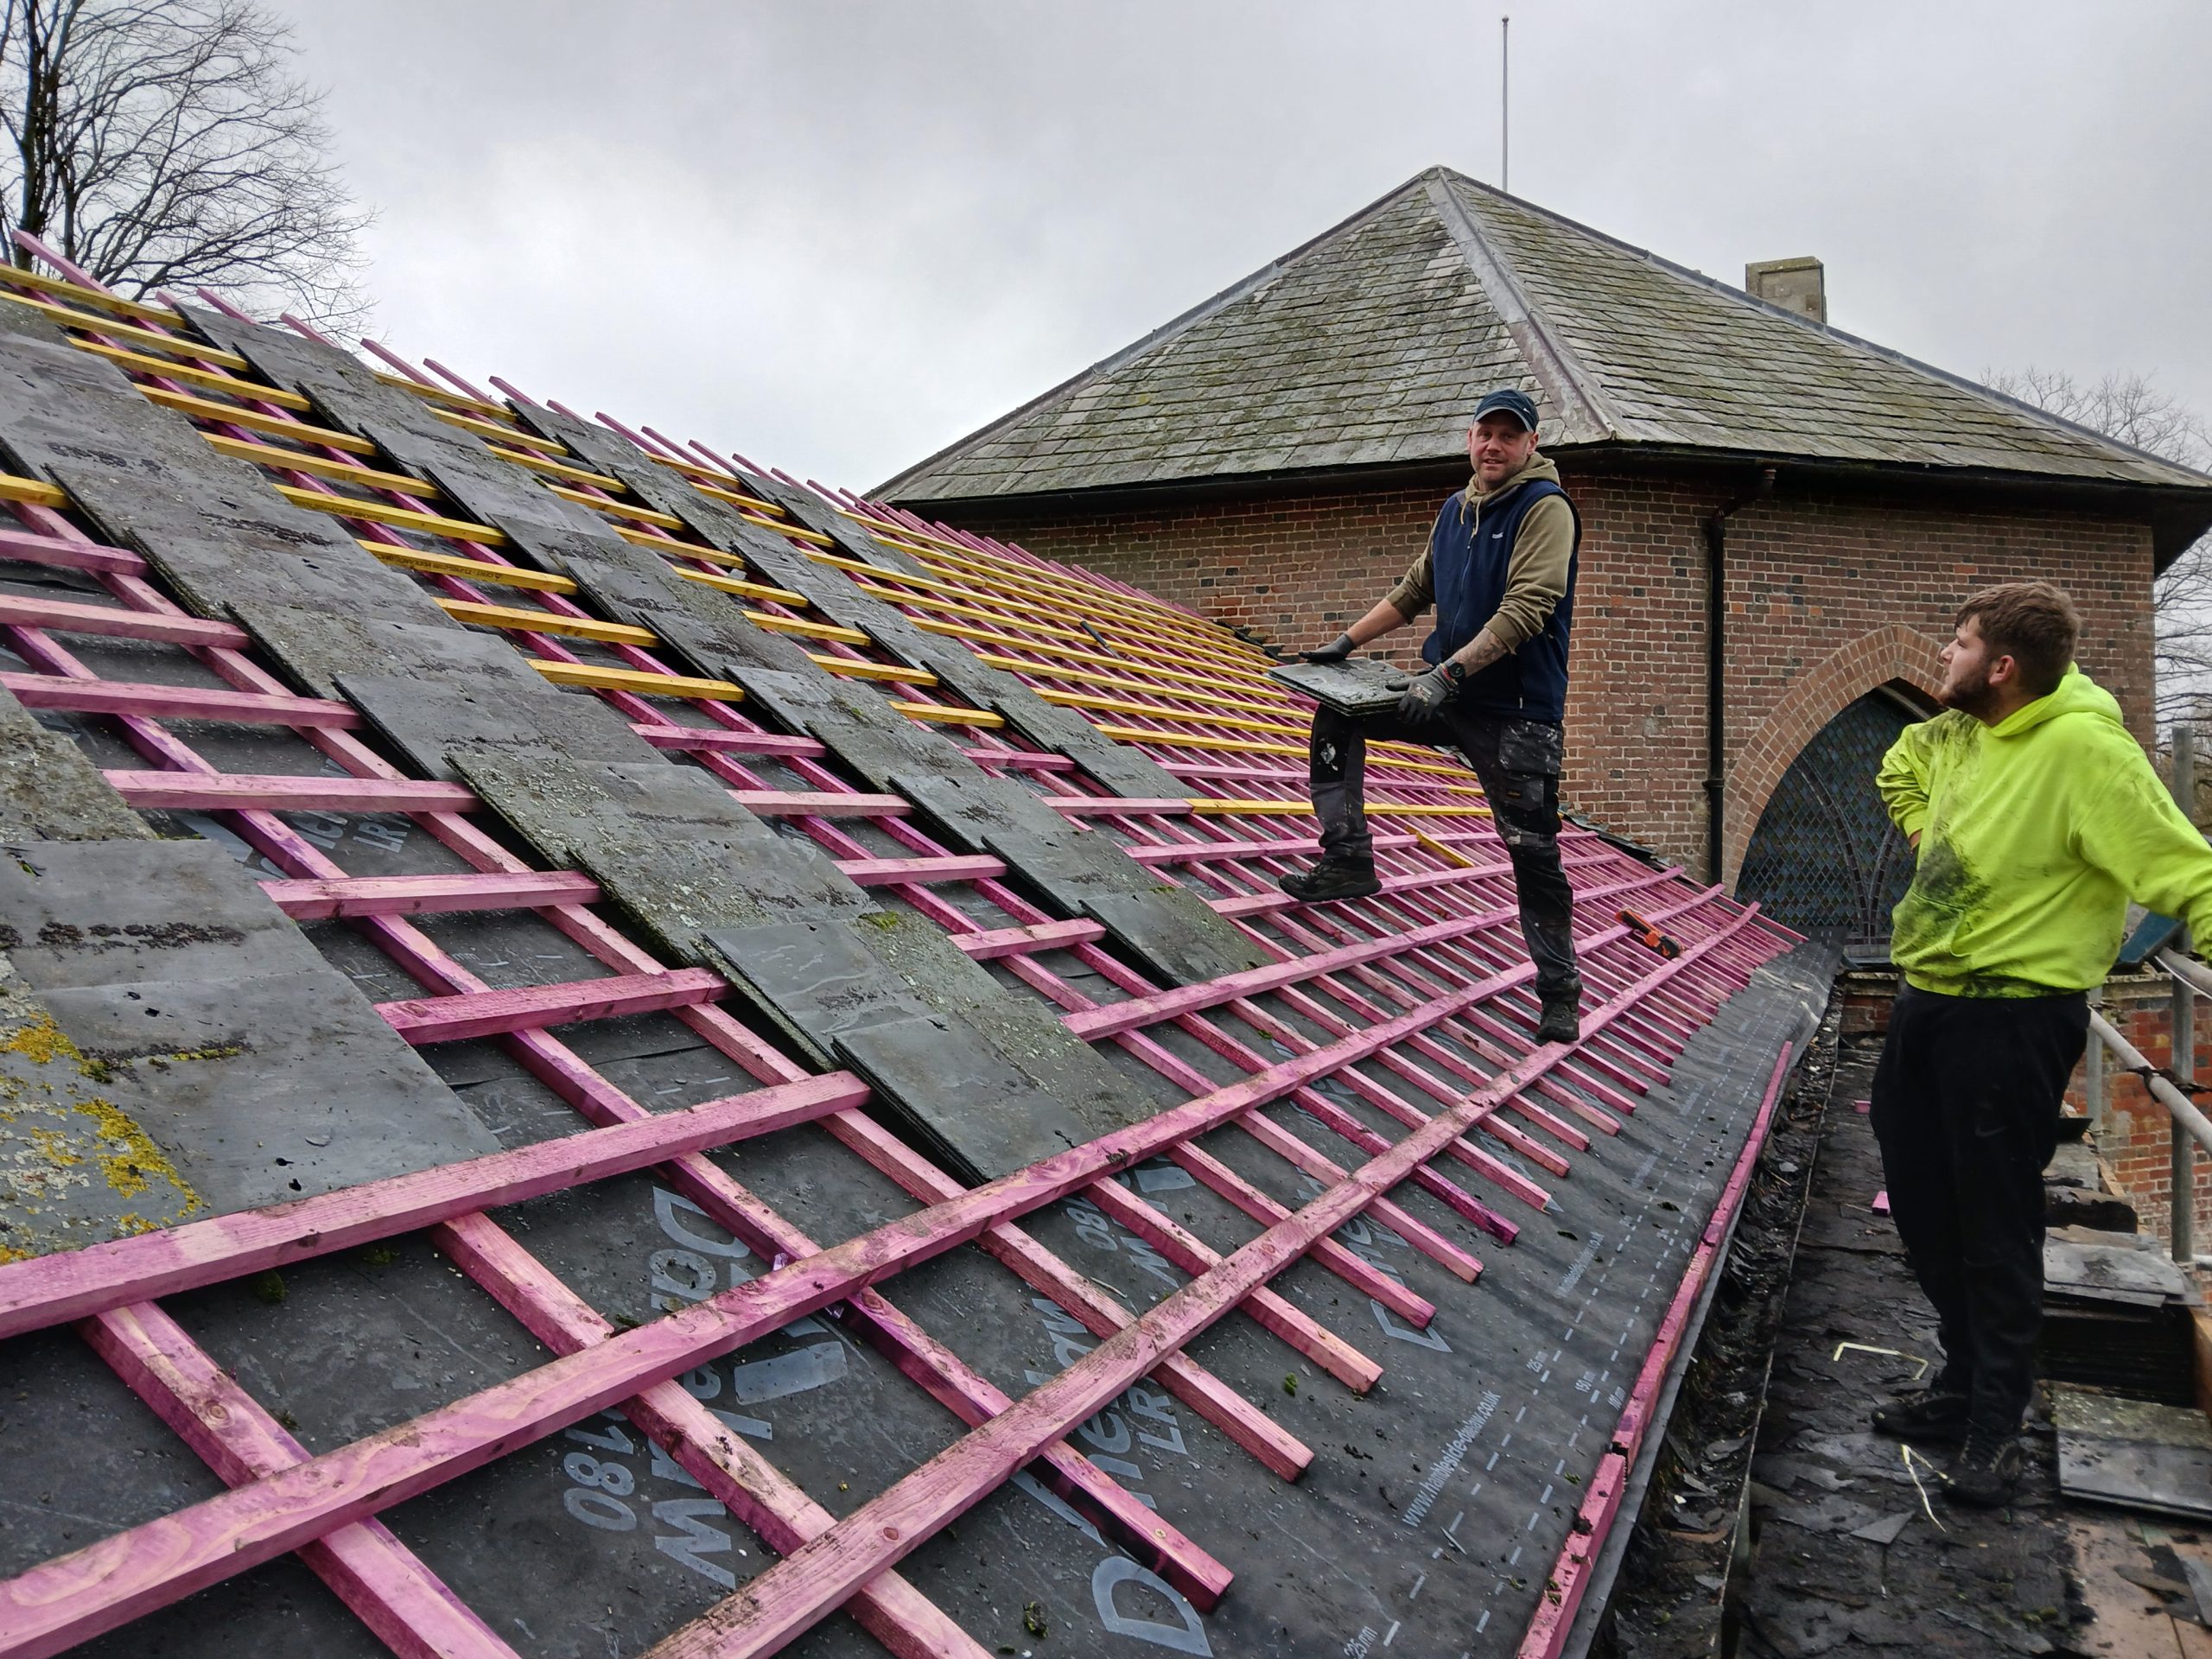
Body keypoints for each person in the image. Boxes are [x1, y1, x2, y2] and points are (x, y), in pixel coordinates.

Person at [1869, 580, 2212, 1506]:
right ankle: (1960, 1379)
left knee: (1994, 1222)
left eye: (1960, 642)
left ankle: (1996, 1422)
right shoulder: (1957, 730)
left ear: (2003, 667)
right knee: (1922, 1202)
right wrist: (1922, 827)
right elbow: (1900, 761)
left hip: (2015, 1016)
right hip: (1927, 998)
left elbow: (2188, 873)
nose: (1945, 654)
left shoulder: (2088, 754)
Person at [1281, 385, 1584, 1044]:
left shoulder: (1544, 509)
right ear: (1469, 439)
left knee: (1532, 851)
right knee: (1338, 713)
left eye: (1509, 436)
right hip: (1450, 696)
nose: (1494, 446)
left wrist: (1445, 676)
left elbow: (1527, 609)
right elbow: (1416, 588)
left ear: (1531, 444)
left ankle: (1560, 992)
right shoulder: (1457, 510)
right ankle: (1349, 859)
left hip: (1517, 715)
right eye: (1485, 434)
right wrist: (1345, 644)